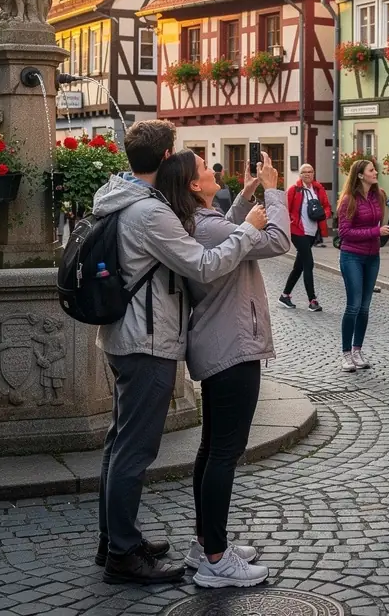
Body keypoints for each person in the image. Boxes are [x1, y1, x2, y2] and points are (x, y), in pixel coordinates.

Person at [91, 119, 268, 585]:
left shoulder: (121, 195)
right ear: (167, 158)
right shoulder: (150, 213)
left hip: (125, 335)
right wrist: (248, 231)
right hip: (146, 339)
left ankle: (115, 538)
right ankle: (123, 555)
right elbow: (203, 266)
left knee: (119, 442)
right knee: (135, 448)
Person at [154, 148, 289, 589]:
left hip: (219, 343)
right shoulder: (206, 225)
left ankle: (203, 542)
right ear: (195, 185)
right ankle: (215, 557)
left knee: (212, 448)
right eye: (205, 169)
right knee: (224, 454)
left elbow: (226, 231)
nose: (214, 170)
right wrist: (274, 192)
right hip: (232, 344)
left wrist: (247, 196)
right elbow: (277, 241)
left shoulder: (196, 220)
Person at [337, 159, 389, 372]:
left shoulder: (378, 196)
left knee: (365, 307)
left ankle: (357, 350)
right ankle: (345, 354)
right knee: (353, 305)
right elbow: (344, 233)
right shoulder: (348, 200)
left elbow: (380, 220)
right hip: (352, 256)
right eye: (371, 170)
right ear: (360, 175)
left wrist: (383, 231)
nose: (375, 172)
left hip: (373, 257)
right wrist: (375, 232)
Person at [280, 162, 330, 312]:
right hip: (298, 231)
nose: (308, 174)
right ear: (300, 175)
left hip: (312, 232)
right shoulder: (294, 190)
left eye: (310, 171)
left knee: (299, 266)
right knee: (309, 263)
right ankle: (312, 300)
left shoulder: (318, 189)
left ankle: (285, 295)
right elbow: (285, 209)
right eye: (305, 172)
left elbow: (327, 206)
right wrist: (291, 223)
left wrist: (323, 215)